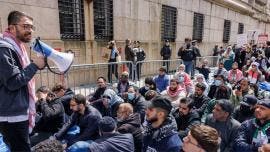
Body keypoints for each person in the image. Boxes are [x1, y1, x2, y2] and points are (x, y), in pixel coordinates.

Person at [0, 10, 45, 151]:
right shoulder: (4, 49)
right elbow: (13, 82)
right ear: (12, 28)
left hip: (15, 111)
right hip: (12, 115)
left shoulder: (16, 47)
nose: (30, 30)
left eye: (31, 27)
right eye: (26, 26)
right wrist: (35, 65)